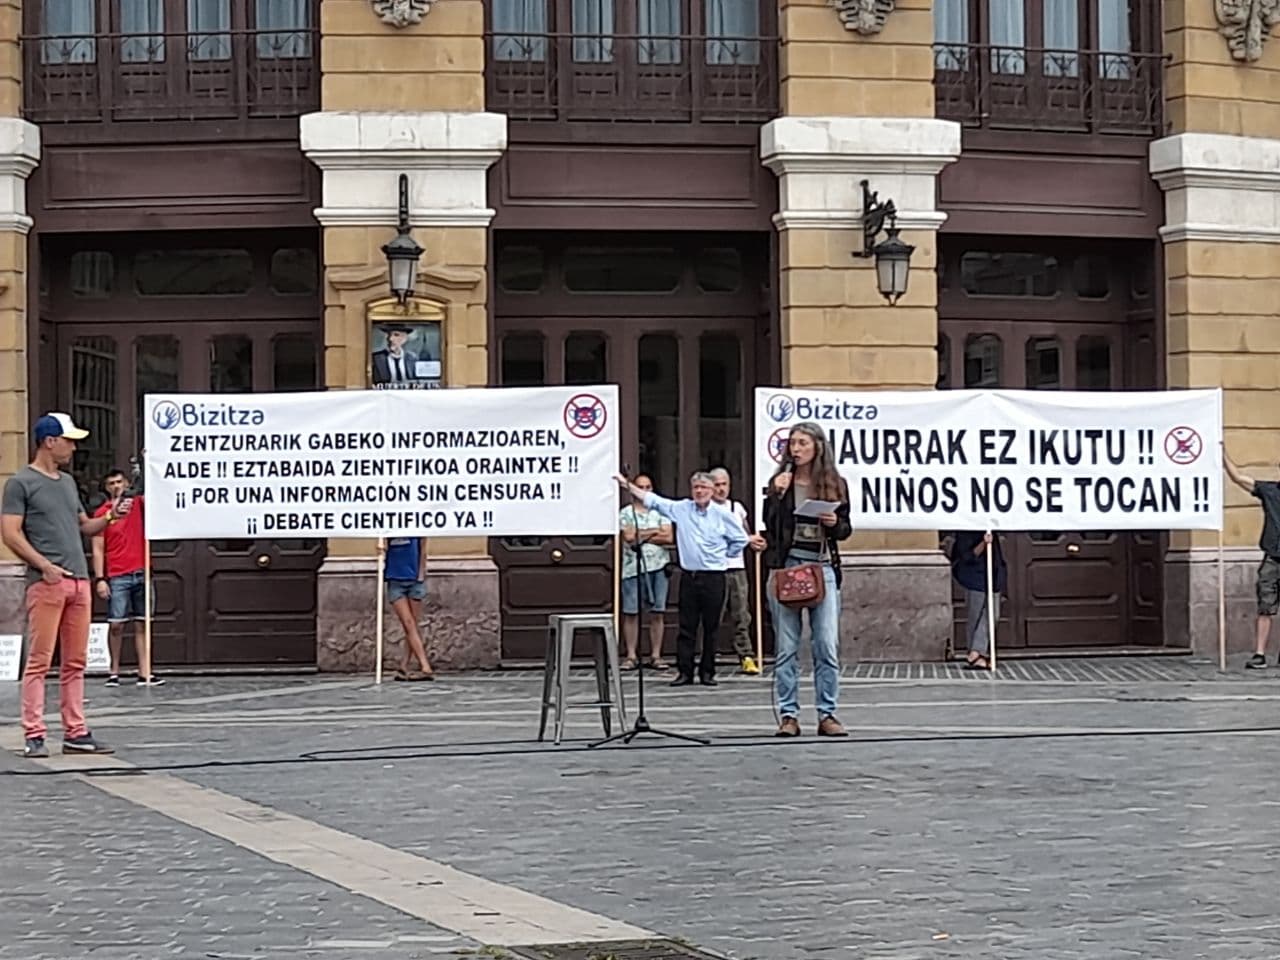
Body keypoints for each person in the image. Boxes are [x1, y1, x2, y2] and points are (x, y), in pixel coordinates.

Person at [1, 413, 122, 757]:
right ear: (49, 441)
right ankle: (35, 733)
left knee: (75, 662)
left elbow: (84, 526)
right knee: (39, 661)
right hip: (47, 582)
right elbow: (9, 532)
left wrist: (111, 516)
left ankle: (76, 730)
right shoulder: (21, 483)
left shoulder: (68, 483)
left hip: (78, 581)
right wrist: (43, 566)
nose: (73, 446)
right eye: (68, 440)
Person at [616, 471, 763, 687]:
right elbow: (652, 500)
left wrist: (724, 555)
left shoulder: (723, 514)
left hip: (714, 576)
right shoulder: (682, 509)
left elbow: (740, 538)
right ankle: (684, 671)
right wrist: (625, 484)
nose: (700, 491)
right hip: (690, 576)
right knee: (687, 626)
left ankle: (707, 672)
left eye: (704, 487)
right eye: (696, 488)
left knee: (711, 627)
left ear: (712, 491)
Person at [760, 422, 851, 738]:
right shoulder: (779, 482)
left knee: (826, 643)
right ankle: (788, 715)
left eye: (802, 443)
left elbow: (845, 530)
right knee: (786, 645)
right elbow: (769, 526)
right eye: (792, 443)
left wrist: (834, 521)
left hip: (822, 566)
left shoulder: (834, 484)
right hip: (788, 566)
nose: (795, 449)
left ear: (817, 448)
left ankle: (827, 713)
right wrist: (776, 495)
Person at [92, 468, 163, 687]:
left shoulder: (138, 506)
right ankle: (114, 671)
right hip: (117, 574)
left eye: (120, 482)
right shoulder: (102, 514)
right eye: (112, 483)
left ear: (126, 483)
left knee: (143, 623)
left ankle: (145, 671)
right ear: (106, 488)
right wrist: (100, 578)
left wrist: (149, 461)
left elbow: (156, 494)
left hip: (142, 569)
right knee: (116, 625)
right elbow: (98, 548)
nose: (116, 486)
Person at [1224, 446, 1280, 669]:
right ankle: (1260, 654)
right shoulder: (1270, 491)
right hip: (1273, 557)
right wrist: (1223, 456)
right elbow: (1238, 478)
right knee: (1265, 607)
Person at [618, 474, 673, 671]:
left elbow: (668, 537)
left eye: (648, 487)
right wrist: (653, 532)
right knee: (631, 612)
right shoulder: (626, 513)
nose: (644, 490)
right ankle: (631, 655)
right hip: (633, 568)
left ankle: (656, 655)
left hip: (658, 566)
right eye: (641, 486)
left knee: (657, 612)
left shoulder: (661, 510)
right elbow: (630, 538)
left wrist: (643, 533)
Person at [710, 467, 760, 675]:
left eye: (724, 484)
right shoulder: (706, 509)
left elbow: (746, 534)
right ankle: (708, 656)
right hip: (715, 568)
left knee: (741, 613)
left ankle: (746, 655)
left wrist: (754, 542)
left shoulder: (737, 508)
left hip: (736, 567)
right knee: (713, 615)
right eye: (717, 485)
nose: (721, 489)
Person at [948, 530, 1006, 671]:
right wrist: (984, 544)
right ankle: (976, 654)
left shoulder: (991, 529)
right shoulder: (965, 533)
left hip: (993, 576)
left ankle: (976, 651)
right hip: (974, 578)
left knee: (993, 613)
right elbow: (967, 557)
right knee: (976, 615)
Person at [380, 535, 434, 680]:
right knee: (408, 623)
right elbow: (383, 547)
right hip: (395, 580)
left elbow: (423, 550)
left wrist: (421, 574)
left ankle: (403, 666)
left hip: (415, 580)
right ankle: (425, 666)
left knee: (411, 627)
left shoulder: (417, 526)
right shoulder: (388, 528)